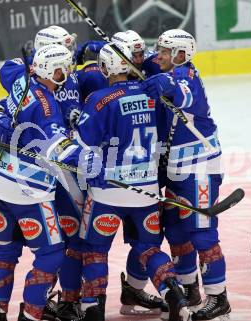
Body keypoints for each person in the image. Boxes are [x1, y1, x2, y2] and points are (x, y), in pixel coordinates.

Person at [75, 43, 191, 321]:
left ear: (105, 68)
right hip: (147, 189)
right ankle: (174, 296)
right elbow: (165, 133)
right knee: (150, 248)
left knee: (94, 250)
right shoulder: (152, 94)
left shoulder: (99, 99)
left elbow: (82, 145)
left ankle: (93, 308)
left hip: (108, 193)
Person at [0, 44, 97, 321]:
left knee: (4, 253)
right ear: (53, 70)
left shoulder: (22, 79)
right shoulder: (48, 106)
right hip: (30, 192)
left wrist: (0, 125)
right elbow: (56, 148)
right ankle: (31, 316)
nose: (68, 73)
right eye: (64, 69)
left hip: (2, 185)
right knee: (51, 255)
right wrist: (88, 160)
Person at [142, 29, 231, 320]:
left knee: (201, 232)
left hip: (200, 167)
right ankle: (189, 287)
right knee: (176, 230)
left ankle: (218, 299)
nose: (159, 56)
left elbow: (181, 92)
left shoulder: (187, 78)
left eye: (165, 52)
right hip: (175, 168)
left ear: (181, 55)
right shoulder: (170, 70)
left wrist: (166, 83)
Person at [111, 30, 169, 317]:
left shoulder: (149, 72)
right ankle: (79, 302)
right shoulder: (98, 78)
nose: (139, 59)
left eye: (140, 53)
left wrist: (164, 76)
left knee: (146, 242)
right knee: (88, 246)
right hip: (105, 177)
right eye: (132, 55)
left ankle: (133, 291)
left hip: (145, 173)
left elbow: (174, 69)